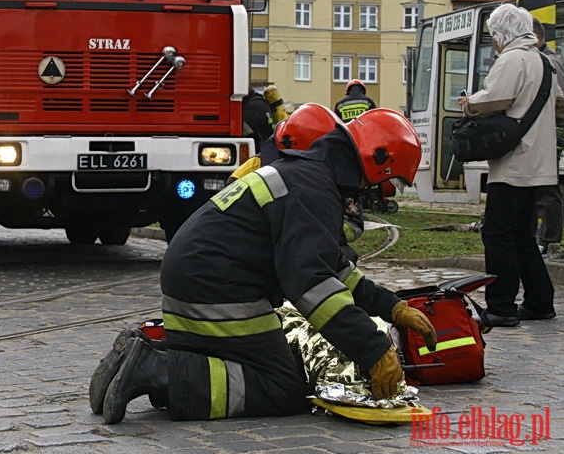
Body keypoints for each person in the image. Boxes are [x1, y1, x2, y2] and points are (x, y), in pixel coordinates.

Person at [96, 108, 437, 424]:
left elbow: (334, 268)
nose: (372, 192)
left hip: (200, 281)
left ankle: (149, 353)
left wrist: (393, 307)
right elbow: (311, 285)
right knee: (282, 387)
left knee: (235, 367)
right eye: (382, 183)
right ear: (379, 161)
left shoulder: (306, 176)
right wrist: (373, 349)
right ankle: (158, 370)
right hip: (219, 291)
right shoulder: (312, 189)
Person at [458, 3, 564, 326]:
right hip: (540, 164)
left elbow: (494, 97)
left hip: (513, 163)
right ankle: (539, 300)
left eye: (494, 35)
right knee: (522, 235)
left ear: (503, 34)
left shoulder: (512, 59)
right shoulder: (544, 63)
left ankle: (501, 305)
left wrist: (469, 103)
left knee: (498, 234)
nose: (494, 42)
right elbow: (560, 107)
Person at [532, 17, 564, 257]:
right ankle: (543, 237)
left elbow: (561, 104)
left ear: (535, 38)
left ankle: (549, 239)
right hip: (546, 131)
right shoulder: (541, 59)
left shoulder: (549, 62)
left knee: (546, 188)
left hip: (550, 133)